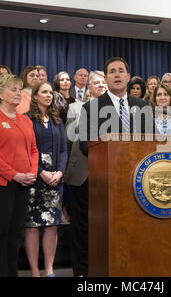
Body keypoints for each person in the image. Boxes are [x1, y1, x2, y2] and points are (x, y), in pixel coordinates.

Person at [0, 74, 38, 277]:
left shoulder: (26, 120)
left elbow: (33, 150)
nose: (18, 93)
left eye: (19, 89)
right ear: (0, 93)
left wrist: (31, 172)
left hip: (23, 184)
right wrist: (14, 175)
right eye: (13, 89)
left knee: (15, 234)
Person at [65, 70, 107, 277]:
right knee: (81, 227)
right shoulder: (75, 108)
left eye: (104, 83)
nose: (101, 86)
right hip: (82, 175)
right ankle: (81, 271)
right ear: (88, 87)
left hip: (108, 177)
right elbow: (71, 142)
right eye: (96, 83)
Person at [24, 81, 67, 277]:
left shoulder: (57, 120)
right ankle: (34, 271)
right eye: (44, 92)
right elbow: (24, 151)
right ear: (35, 96)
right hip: (34, 179)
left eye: (51, 92)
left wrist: (59, 172)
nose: (49, 95)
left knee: (51, 227)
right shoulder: (25, 120)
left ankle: (49, 270)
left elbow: (64, 150)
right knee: (32, 228)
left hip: (55, 181)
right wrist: (40, 171)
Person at [79, 57, 152, 156]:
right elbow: (85, 145)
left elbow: (153, 138)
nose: (117, 75)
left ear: (128, 77)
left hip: (139, 167)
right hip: (107, 166)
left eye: (121, 71)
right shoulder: (90, 108)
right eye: (112, 71)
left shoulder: (143, 106)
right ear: (105, 78)